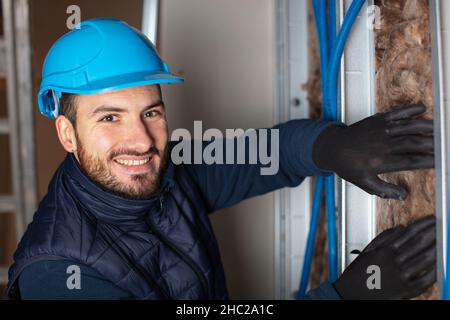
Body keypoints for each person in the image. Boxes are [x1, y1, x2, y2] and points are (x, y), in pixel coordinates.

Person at [6, 19, 435, 300]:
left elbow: (259, 156)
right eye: (110, 118)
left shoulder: (162, 173)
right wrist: (347, 296)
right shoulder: (59, 276)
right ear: (67, 134)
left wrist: (333, 147)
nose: (140, 141)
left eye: (150, 112)